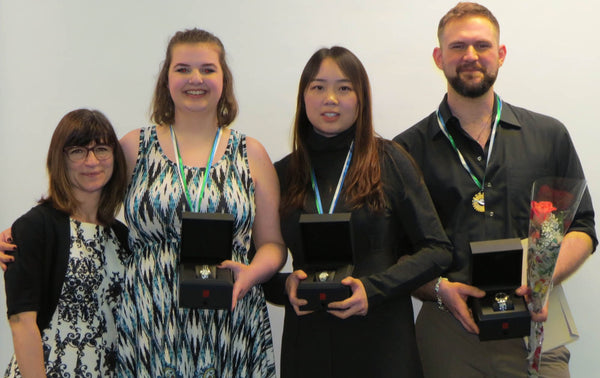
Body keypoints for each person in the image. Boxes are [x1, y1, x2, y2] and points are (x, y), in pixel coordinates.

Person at [393, 3, 596, 377]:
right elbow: (395, 250)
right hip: (450, 327)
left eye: (482, 46)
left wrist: (540, 279)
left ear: (500, 55)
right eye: (457, 47)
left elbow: (582, 228)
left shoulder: (549, 136)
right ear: (439, 57)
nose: (470, 56)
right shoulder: (405, 151)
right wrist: (438, 289)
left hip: (538, 321)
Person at [264, 46, 453, 378]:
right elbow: (258, 270)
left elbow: (437, 250)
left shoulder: (391, 161)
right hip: (309, 346)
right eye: (318, 87)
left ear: (361, 98)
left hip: (381, 341)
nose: (331, 98)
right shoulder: (281, 174)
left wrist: (374, 288)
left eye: (344, 88)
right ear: (303, 97)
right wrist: (286, 286)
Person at [116, 28, 286, 377]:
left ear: (224, 79)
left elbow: (272, 244)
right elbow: (84, 212)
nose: (196, 79)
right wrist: (28, 231)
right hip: (150, 319)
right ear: (167, 79)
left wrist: (252, 273)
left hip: (231, 316)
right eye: (183, 69)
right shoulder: (134, 147)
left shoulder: (251, 153)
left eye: (208, 69)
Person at [4, 109, 130, 377]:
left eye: (102, 149)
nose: (92, 161)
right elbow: (21, 323)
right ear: (60, 159)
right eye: (78, 151)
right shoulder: (35, 227)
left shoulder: (120, 236)